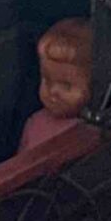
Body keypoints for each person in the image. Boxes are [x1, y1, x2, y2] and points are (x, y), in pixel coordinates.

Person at [16, 16, 93, 151]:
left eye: (66, 85)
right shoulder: (35, 123)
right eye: (47, 80)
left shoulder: (96, 134)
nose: (52, 91)